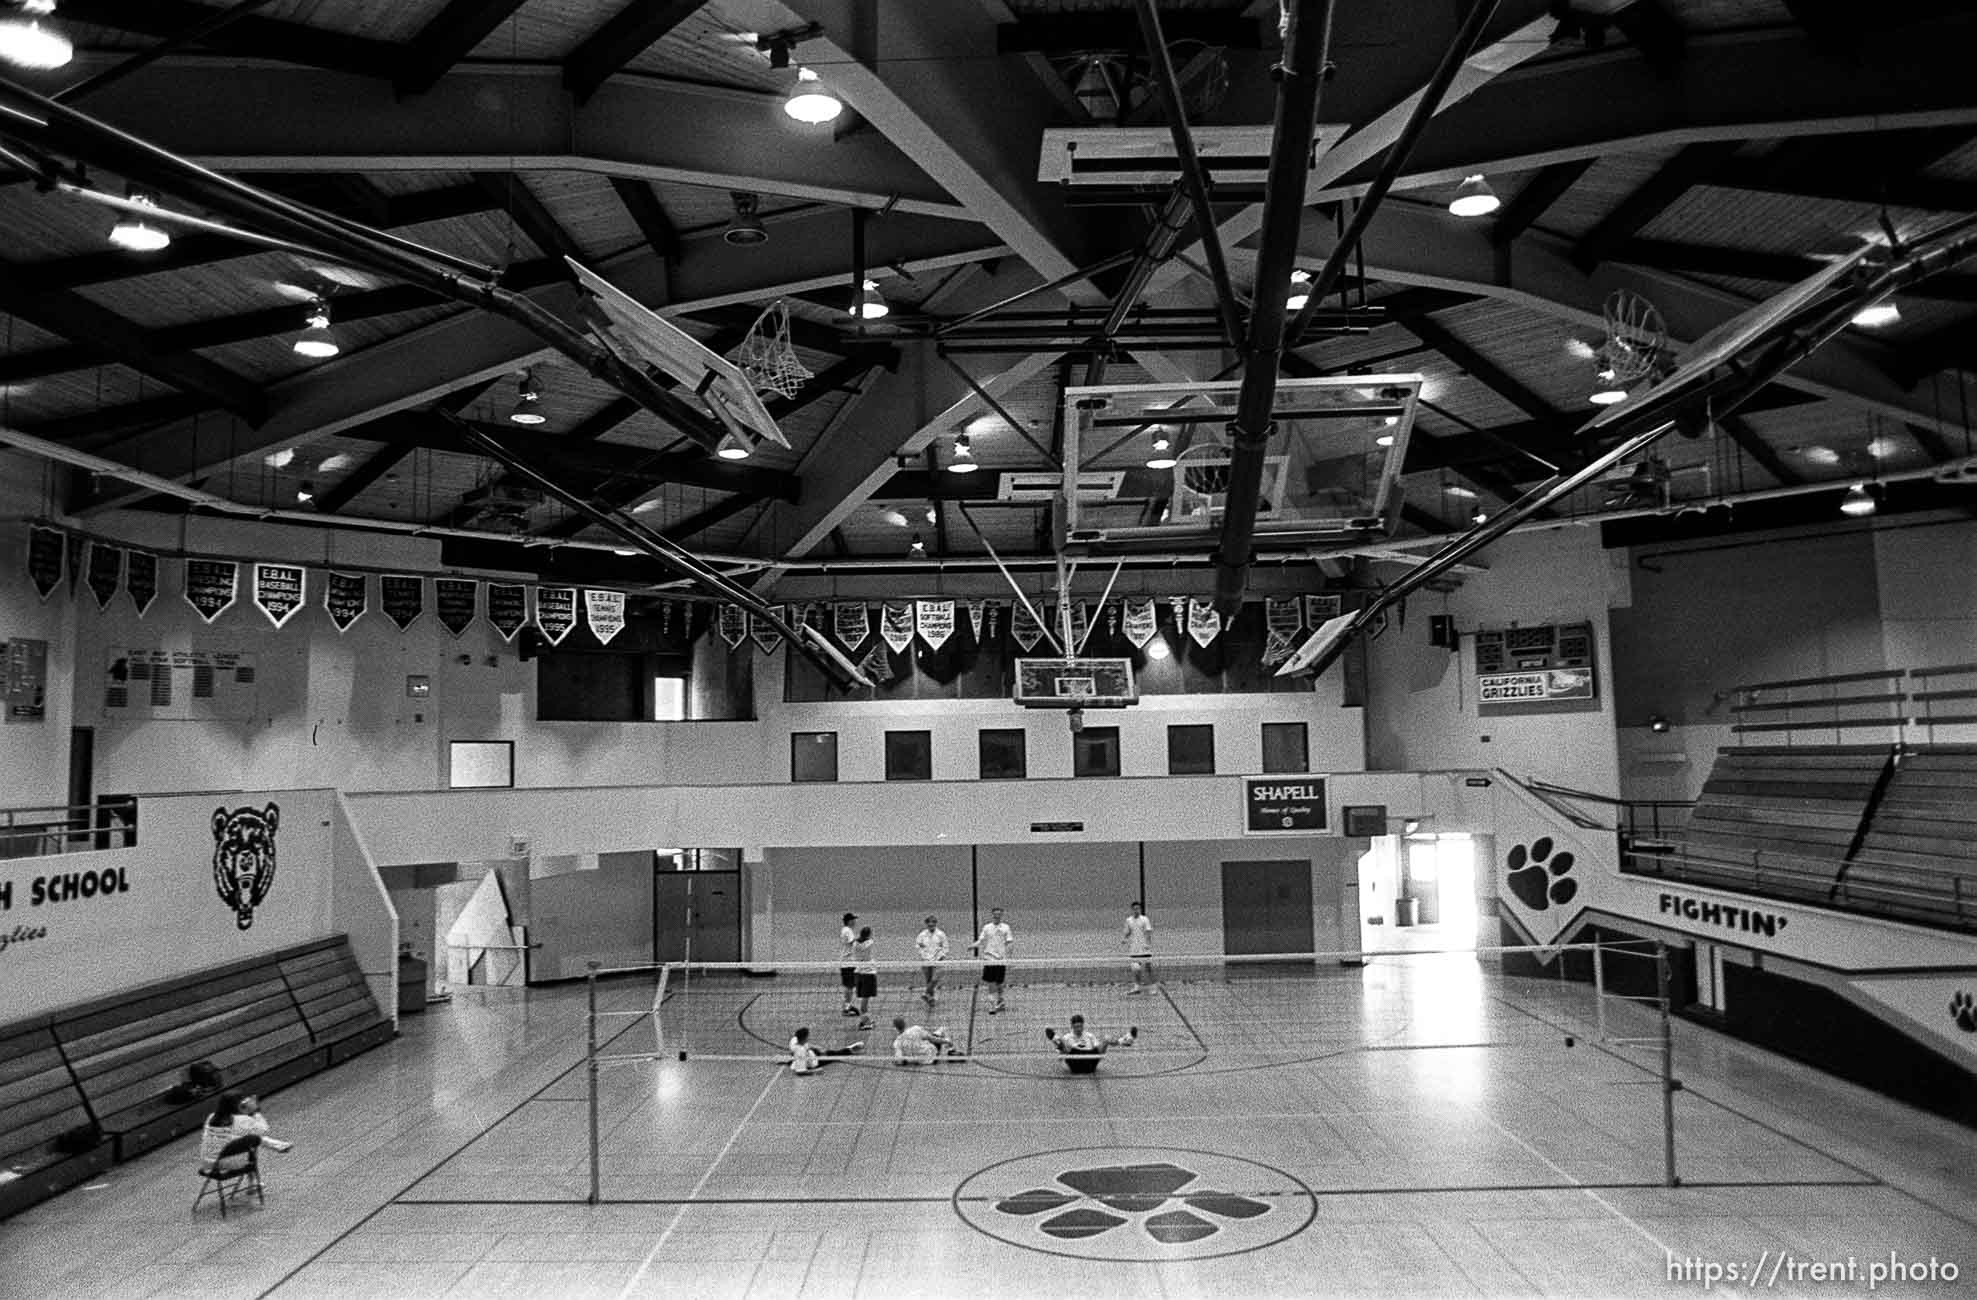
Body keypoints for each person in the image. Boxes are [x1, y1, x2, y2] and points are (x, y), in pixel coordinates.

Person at [1044, 1015, 1137, 1074]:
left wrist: (1103, 1046)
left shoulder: (1089, 1036)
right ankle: (1054, 1038)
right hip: (1075, 1062)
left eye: (1080, 1026)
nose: (1078, 1029)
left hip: (1090, 1061)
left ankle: (1126, 1040)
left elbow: (1098, 1050)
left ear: (1083, 1025)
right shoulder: (1067, 1037)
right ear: (1071, 1027)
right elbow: (1061, 1055)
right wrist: (1062, 1057)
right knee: (1063, 1041)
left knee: (1106, 1038)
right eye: (1076, 1027)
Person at [971, 906, 1013, 1014]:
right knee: (991, 984)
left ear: (1001, 915)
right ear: (992, 915)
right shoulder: (987, 927)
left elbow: (1009, 943)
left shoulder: (1006, 928)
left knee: (999, 984)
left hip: (1001, 960)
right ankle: (992, 1006)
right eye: (995, 914)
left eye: (999, 914)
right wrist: (973, 946)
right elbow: (980, 940)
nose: (997, 916)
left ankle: (1000, 1000)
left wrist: (1008, 958)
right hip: (989, 959)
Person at [788, 1026, 864, 1075]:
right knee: (834, 1055)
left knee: (829, 1052)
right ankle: (850, 1049)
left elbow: (806, 1045)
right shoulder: (800, 1052)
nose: (808, 1038)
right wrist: (815, 1071)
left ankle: (849, 1049)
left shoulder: (794, 1040)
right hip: (815, 1062)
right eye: (807, 1036)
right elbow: (800, 1072)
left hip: (812, 1053)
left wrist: (817, 1048)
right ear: (804, 1038)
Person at [891, 1016, 956, 1065]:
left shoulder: (897, 1043)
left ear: (895, 1028)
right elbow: (932, 1039)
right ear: (905, 1023)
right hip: (933, 1052)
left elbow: (900, 1061)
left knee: (934, 1034)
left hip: (925, 1061)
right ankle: (951, 1050)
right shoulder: (915, 1029)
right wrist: (947, 1042)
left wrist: (896, 1061)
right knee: (942, 1029)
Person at [915, 914, 949, 1005]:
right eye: (929, 924)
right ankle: (931, 999)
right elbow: (918, 946)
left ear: (935, 924)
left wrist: (941, 957)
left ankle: (925, 993)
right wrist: (923, 955)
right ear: (926, 924)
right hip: (926, 961)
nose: (931, 926)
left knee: (935, 979)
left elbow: (945, 947)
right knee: (928, 980)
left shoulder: (941, 934)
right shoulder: (922, 935)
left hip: (938, 961)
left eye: (933, 924)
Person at [1123, 901, 1155, 994]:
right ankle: (1137, 988)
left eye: (1138, 908)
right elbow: (1128, 932)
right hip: (1134, 949)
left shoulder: (1145, 919)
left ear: (1140, 909)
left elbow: (1148, 932)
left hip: (1144, 948)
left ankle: (1152, 988)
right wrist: (1125, 939)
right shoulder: (1128, 920)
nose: (1136, 910)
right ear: (1132, 909)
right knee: (1135, 969)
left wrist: (1148, 944)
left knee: (1148, 968)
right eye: (1134, 909)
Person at [852, 924, 878, 1029]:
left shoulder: (855, 944)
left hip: (859, 973)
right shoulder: (870, 943)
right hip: (868, 974)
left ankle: (865, 1020)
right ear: (869, 935)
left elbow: (857, 941)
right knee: (865, 1002)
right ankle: (865, 1023)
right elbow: (869, 942)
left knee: (864, 1000)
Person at [838, 912, 859, 1017]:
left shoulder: (845, 930)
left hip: (848, 963)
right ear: (850, 921)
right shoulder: (848, 930)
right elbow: (853, 943)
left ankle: (848, 1005)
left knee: (850, 986)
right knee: (849, 986)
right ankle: (846, 1007)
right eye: (853, 919)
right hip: (848, 963)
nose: (855, 921)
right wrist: (863, 940)